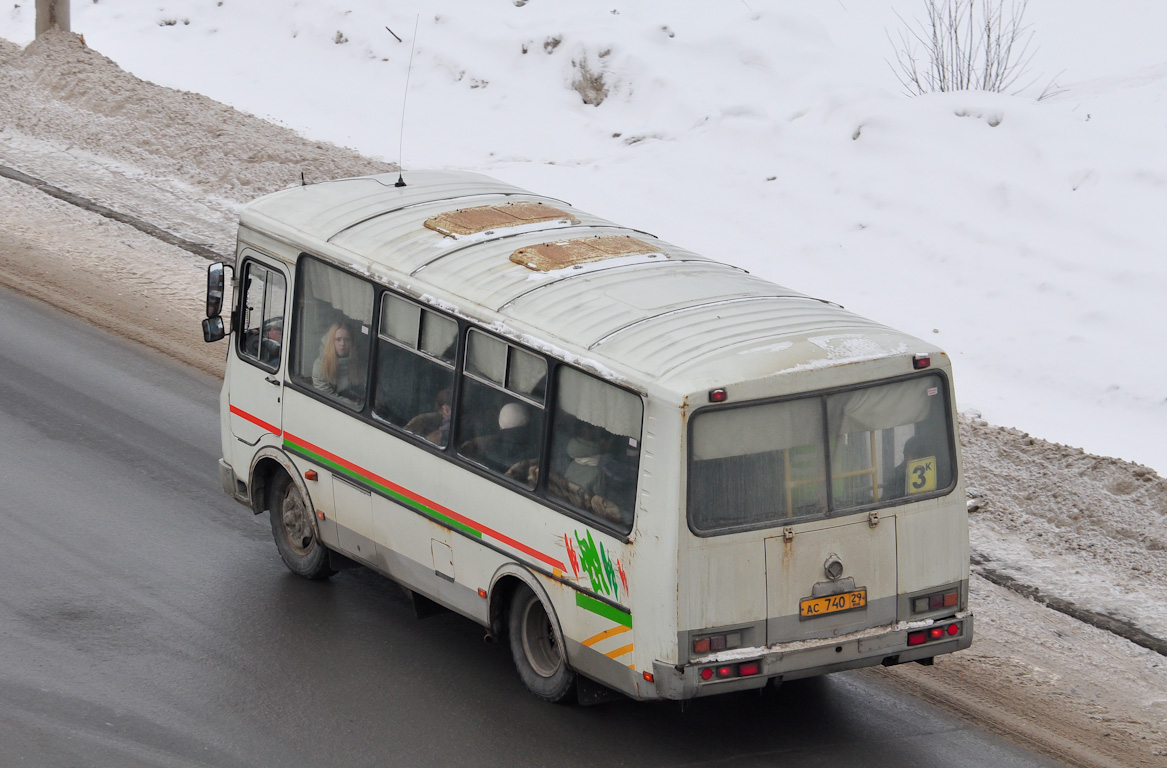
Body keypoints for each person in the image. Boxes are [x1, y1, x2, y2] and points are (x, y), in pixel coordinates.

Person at [312, 321, 364, 400]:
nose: (342, 344)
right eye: (338, 340)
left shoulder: (358, 362)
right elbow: (327, 398)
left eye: (346, 340)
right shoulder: (320, 366)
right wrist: (356, 406)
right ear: (331, 342)